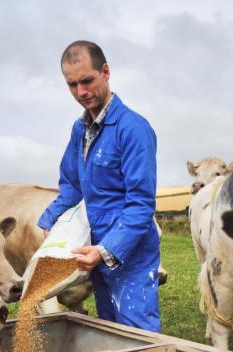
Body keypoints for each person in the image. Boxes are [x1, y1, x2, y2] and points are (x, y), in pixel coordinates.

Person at [37, 40, 161, 332]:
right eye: (72, 85)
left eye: (87, 81)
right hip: (94, 247)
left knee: (136, 333)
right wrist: (49, 219)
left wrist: (107, 250)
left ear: (105, 72)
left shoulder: (133, 129)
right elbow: (71, 185)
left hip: (128, 251)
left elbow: (141, 204)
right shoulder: (80, 130)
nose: (81, 92)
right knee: (109, 329)